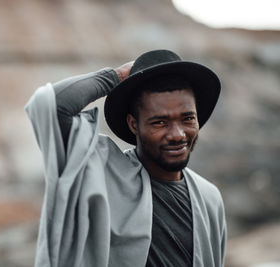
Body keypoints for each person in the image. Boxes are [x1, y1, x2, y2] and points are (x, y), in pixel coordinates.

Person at [25, 50, 227, 267]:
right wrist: (115, 77)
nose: (177, 134)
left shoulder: (209, 197)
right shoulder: (101, 172)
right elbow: (50, 107)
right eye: (160, 122)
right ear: (133, 124)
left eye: (188, 118)